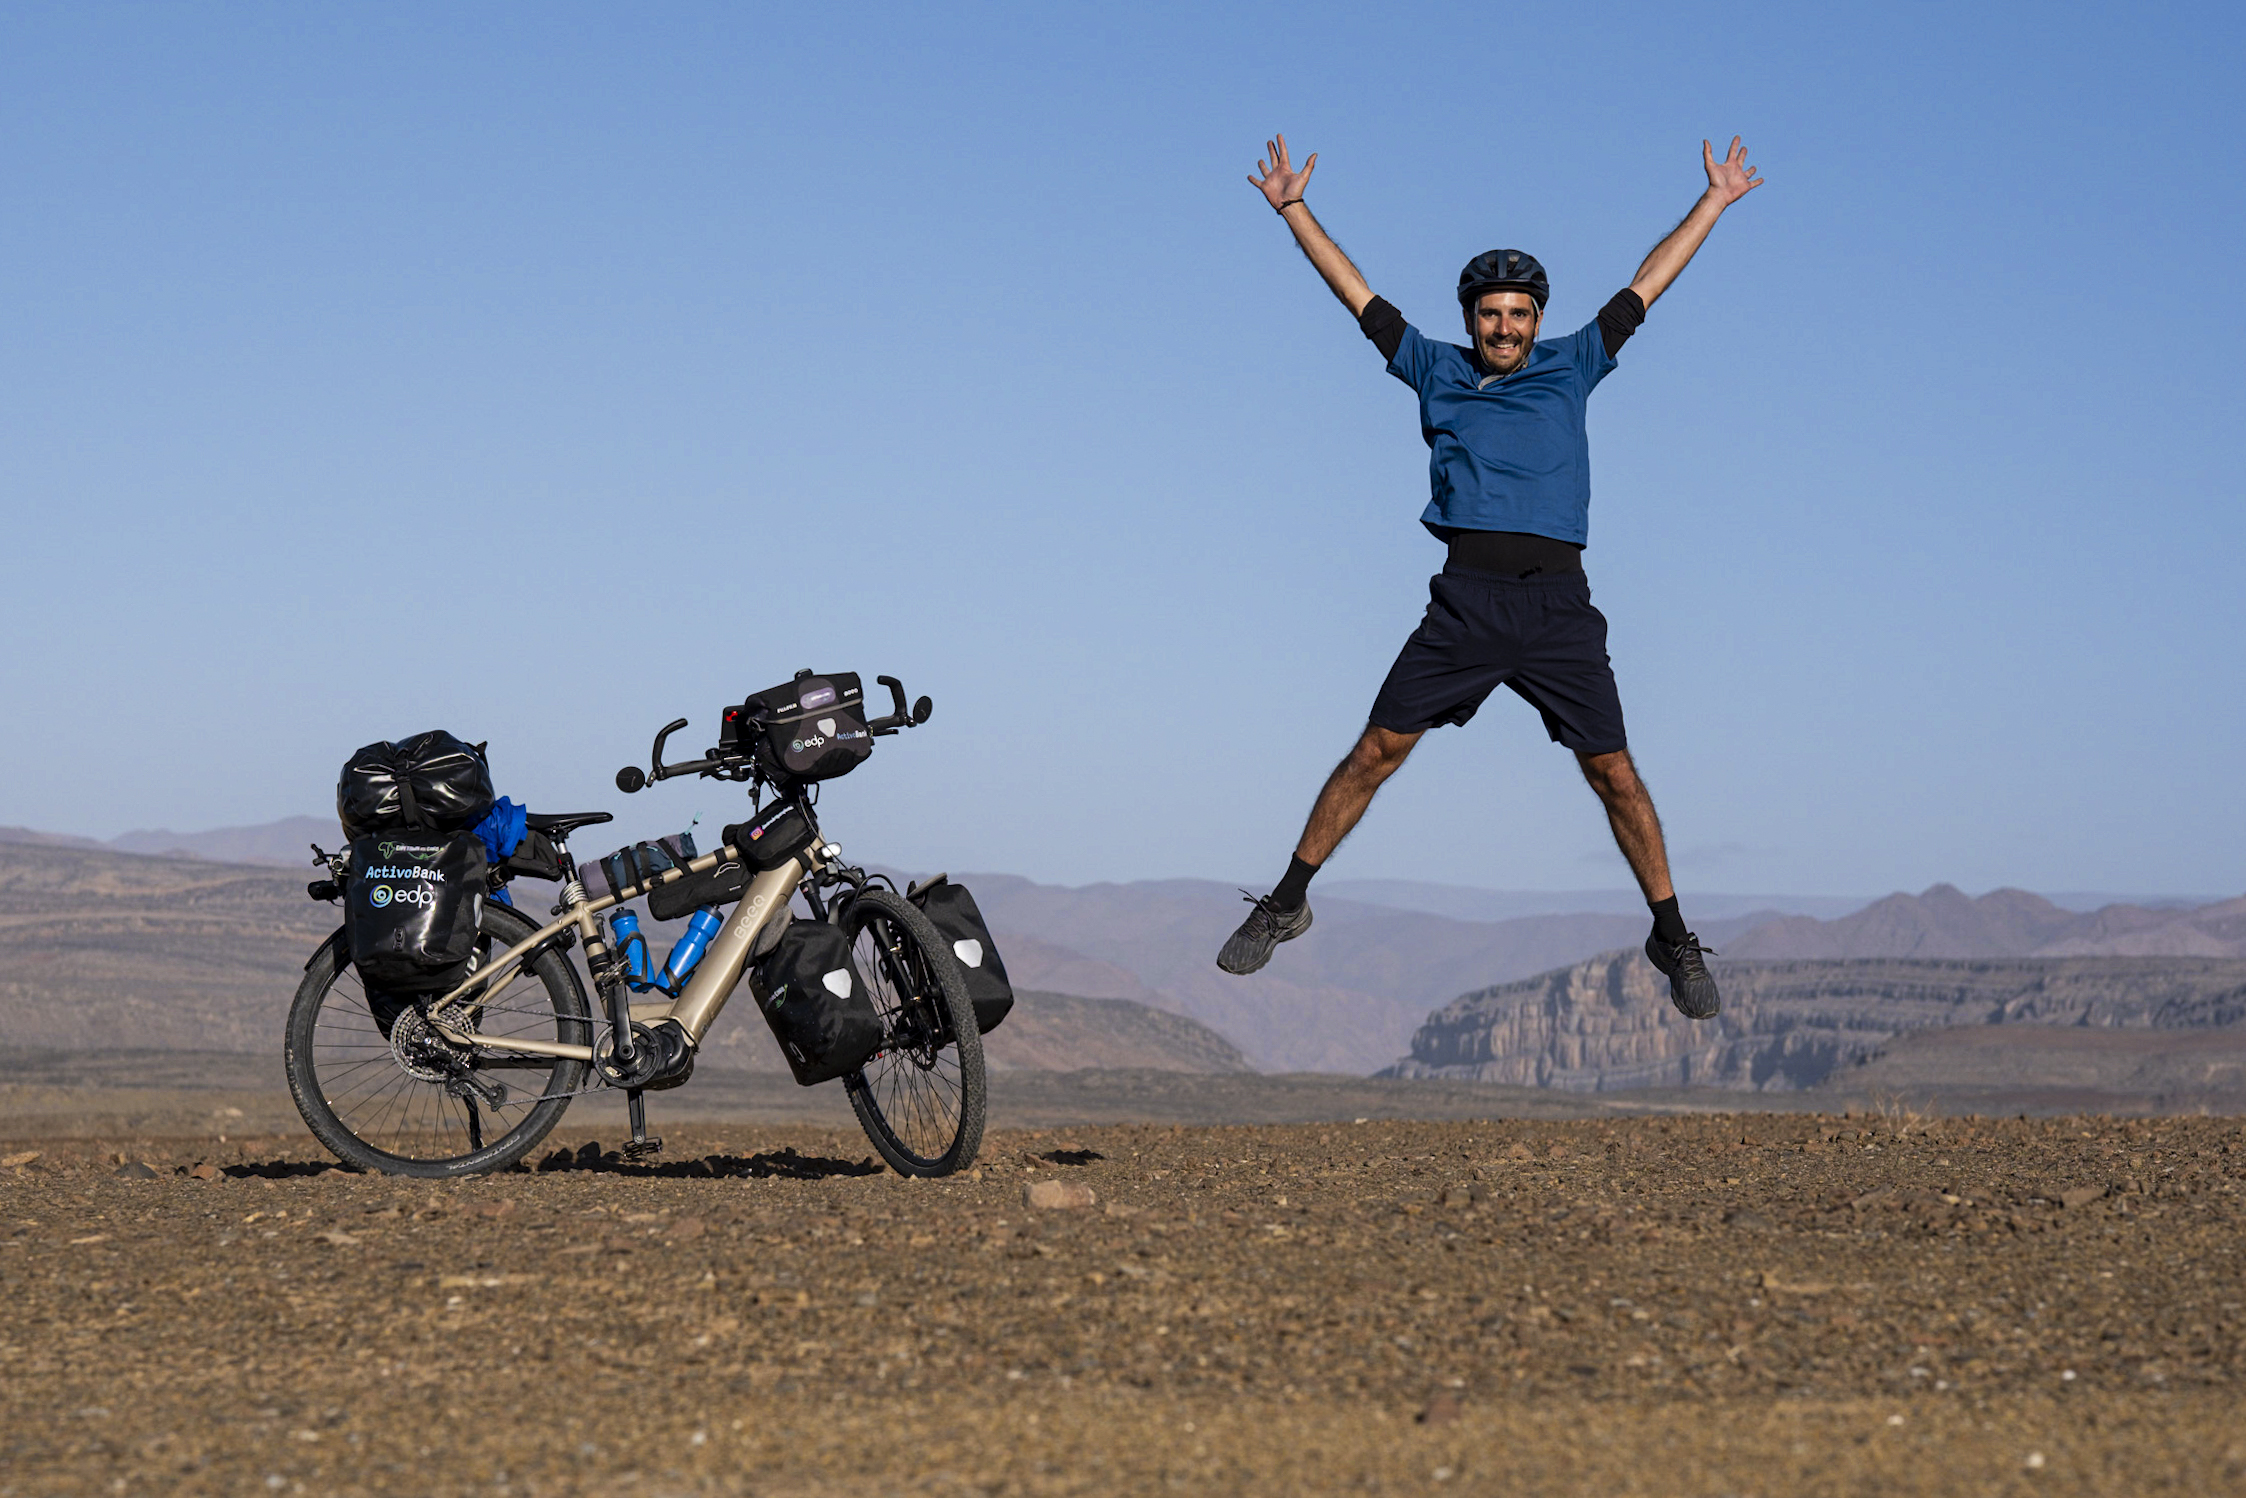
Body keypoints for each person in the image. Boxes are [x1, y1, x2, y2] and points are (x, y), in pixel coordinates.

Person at [1216, 133, 1764, 1019]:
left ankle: (1672, 936)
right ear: (1469, 317)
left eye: (1518, 314)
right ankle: (1287, 901)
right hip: (1465, 603)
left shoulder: (1575, 363)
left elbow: (1649, 281)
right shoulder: (1432, 368)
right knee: (1376, 751)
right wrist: (1293, 209)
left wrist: (1714, 202)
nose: (1503, 328)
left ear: (1538, 320)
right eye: (1488, 314)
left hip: (1558, 605)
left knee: (1615, 774)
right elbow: (1356, 295)